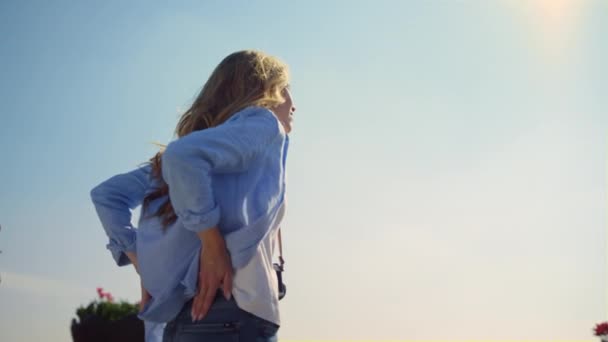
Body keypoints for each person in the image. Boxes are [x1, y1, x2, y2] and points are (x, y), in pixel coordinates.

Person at [90, 50, 296, 342]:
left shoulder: (175, 165)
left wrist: (139, 258)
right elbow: (182, 156)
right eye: (285, 88)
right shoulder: (264, 123)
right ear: (262, 91)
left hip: (184, 323)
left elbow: (107, 196)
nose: (293, 103)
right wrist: (212, 245)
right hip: (234, 315)